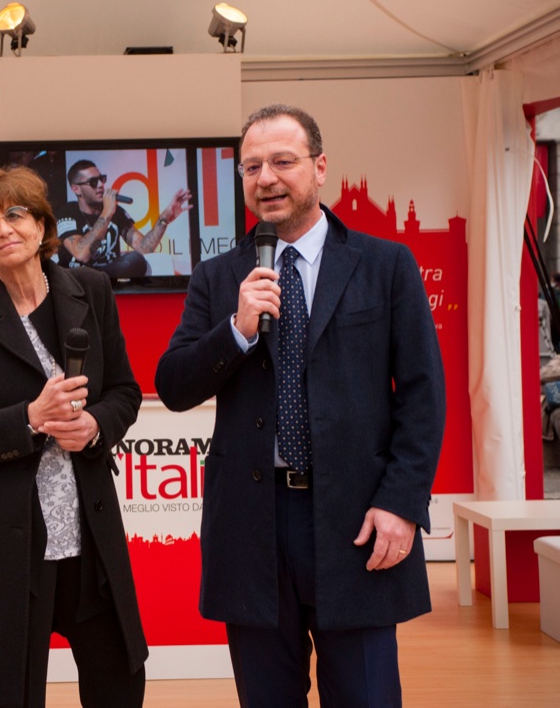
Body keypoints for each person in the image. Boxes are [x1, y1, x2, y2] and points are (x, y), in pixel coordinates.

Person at [155, 104, 445, 707]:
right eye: (252, 166)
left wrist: (400, 503)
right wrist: (236, 327)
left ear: (319, 168)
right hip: (254, 528)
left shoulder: (385, 265)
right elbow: (175, 386)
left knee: (365, 696)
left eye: (283, 162)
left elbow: (423, 394)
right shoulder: (218, 277)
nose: (266, 178)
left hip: (357, 521)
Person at [0, 167, 147, 707]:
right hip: (10, 544)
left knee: (119, 682)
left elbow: (123, 391)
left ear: (43, 224)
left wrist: (96, 426)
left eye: (15, 214)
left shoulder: (91, 290)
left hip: (89, 537)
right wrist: (29, 417)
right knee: (13, 694)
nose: (2, 229)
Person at [56, 159, 191, 278]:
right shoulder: (67, 212)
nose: (100, 185)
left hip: (108, 279)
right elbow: (81, 254)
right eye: (93, 182)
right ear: (76, 189)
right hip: (78, 282)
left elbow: (143, 248)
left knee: (134, 260)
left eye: (101, 179)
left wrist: (164, 219)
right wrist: (107, 212)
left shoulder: (116, 212)